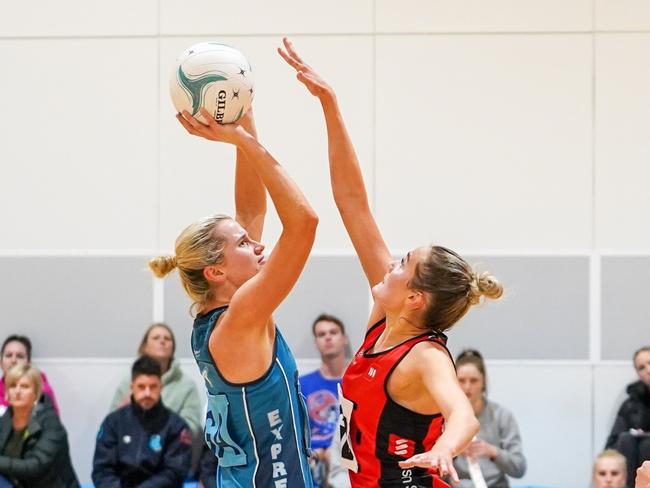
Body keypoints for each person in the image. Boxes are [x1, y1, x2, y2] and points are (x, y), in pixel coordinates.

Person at [278, 38, 502, 487]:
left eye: (402, 263)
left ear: (415, 298)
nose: (390, 265)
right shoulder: (387, 321)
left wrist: (442, 450)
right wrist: (330, 105)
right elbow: (353, 205)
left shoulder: (424, 356)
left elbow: (464, 415)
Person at [148, 101, 318, 487]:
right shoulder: (241, 319)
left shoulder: (222, 316)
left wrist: (246, 122)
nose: (258, 246)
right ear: (216, 270)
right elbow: (304, 223)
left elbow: (250, 208)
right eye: (244, 244)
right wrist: (245, 141)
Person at [92, 355, 193, 487]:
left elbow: (175, 472)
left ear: (161, 387)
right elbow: (102, 469)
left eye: (153, 387)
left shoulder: (176, 426)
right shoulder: (113, 422)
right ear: (132, 387)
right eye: (141, 386)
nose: (147, 393)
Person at [111, 323, 203, 435]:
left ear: (173, 348)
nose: (162, 341)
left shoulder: (186, 385)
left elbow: (190, 427)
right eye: (156, 338)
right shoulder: (129, 382)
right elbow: (112, 424)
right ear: (144, 346)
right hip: (131, 447)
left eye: (167, 338)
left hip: (172, 448)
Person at [451, 349, 526, 487]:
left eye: (473, 380)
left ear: (483, 382)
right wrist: (452, 453)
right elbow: (433, 471)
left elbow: (519, 468)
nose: (467, 387)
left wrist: (492, 451)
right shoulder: (442, 418)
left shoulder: (502, 416)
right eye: (461, 381)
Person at [0, 364, 79, 487]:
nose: (17, 391)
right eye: (13, 386)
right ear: (7, 392)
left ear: (36, 393)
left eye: (24, 386)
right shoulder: (4, 420)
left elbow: (35, 466)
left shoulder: (51, 424)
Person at [300, 314, 350, 487]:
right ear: (316, 343)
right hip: (313, 463)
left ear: (344, 339)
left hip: (348, 460)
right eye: (321, 334)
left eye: (333, 332)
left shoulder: (356, 382)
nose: (327, 337)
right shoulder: (302, 384)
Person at [606, 346, 650, 487]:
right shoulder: (631, 404)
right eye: (642, 367)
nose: (648, 370)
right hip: (634, 469)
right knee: (626, 439)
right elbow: (612, 443)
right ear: (638, 373)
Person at [0, 335, 60, 416]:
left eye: (20, 356)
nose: (13, 360)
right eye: (8, 355)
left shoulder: (41, 390)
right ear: (1, 362)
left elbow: (49, 424)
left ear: (28, 364)